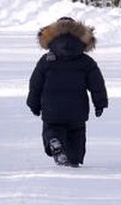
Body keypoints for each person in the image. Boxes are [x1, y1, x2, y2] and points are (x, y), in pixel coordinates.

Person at [27, 16, 108, 167]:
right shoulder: (86, 62)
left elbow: (35, 84)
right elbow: (97, 84)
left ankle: (54, 141)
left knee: (52, 128)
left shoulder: (46, 60)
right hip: (77, 109)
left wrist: (33, 103)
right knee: (76, 133)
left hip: (52, 108)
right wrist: (100, 103)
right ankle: (74, 158)